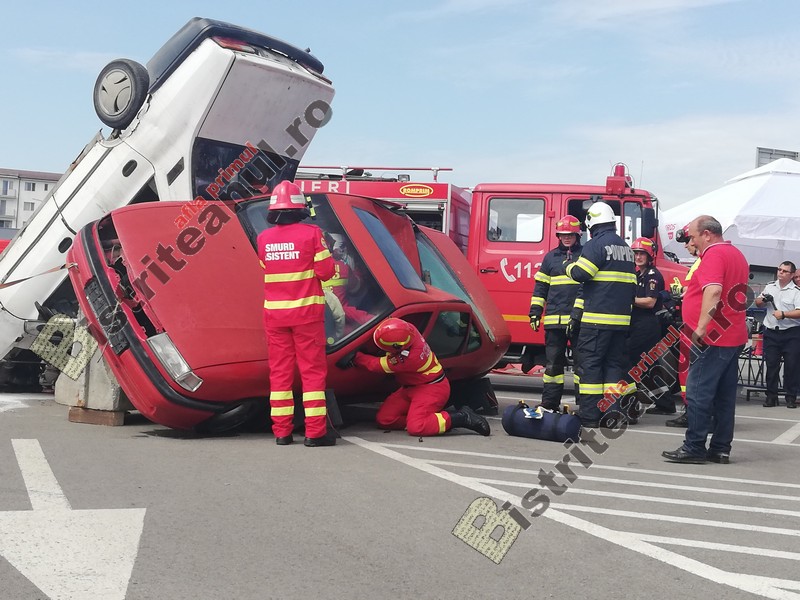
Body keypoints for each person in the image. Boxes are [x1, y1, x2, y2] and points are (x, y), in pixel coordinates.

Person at [662, 215, 749, 464]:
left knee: (698, 392)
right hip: (731, 334)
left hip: (712, 337)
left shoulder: (714, 254)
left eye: (693, 236)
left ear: (707, 234)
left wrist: (700, 327)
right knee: (724, 397)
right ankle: (720, 448)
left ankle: (694, 446)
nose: (691, 241)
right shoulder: (736, 254)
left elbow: (714, 290)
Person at [257, 180, 337, 447]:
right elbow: (326, 272)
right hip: (306, 315)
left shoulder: (263, 238)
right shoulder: (312, 234)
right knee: (312, 373)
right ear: (300, 208)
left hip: (275, 316)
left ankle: (282, 432)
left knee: (279, 373)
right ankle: (315, 433)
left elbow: (266, 268)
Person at [339, 317, 490, 437]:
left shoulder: (409, 358)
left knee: (417, 427)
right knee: (385, 419)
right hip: (411, 387)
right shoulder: (408, 330)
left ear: (397, 347)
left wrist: (355, 356)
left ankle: (461, 417)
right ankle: (427, 421)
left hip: (431, 389)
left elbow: (376, 365)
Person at [565, 202, 637, 428]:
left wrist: (568, 266)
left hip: (596, 320)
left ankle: (590, 416)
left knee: (590, 367)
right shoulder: (626, 248)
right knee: (614, 367)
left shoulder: (596, 244)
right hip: (621, 322)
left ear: (591, 223)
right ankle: (612, 415)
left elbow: (581, 273)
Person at [527, 215, 583, 410]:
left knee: (582, 365)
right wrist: (535, 311)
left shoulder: (585, 256)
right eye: (563, 234)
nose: (566, 238)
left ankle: (584, 405)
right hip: (554, 321)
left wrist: (578, 315)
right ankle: (550, 403)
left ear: (577, 235)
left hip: (578, 320)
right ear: (558, 236)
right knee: (552, 366)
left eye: (570, 235)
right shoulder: (550, 258)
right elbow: (541, 287)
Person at [625, 237, 668, 417]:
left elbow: (650, 302)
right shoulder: (638, 275)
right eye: (636, 253)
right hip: (638, 324)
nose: (638, 257)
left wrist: (628, 300)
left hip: (647, 324)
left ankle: (631, 403)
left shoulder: (652, 275)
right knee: (648, 366)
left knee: (629, 360)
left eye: (642, 254)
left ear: (649, 256)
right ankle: (665, 403)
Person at [664, 224, 701, 428]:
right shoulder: (699, 263)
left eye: (688, 240)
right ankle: (691, 409)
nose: (686, 245)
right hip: (691, 326)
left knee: (691, 371)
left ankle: (693, 412)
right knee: (687, 370)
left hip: (695, 328)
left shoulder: (703, 262)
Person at [754, 261, 800, 408]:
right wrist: (762, 300)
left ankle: (790, 397)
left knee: (791, 366)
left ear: (791, 275)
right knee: (771, 365)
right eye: (779, 269)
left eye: (785, 271)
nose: (780, 272)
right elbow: (758, 302)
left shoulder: (796, 291)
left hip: (791, 334)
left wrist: (784, 314)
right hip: (772, 332)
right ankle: (771, 396)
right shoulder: (770, 287)